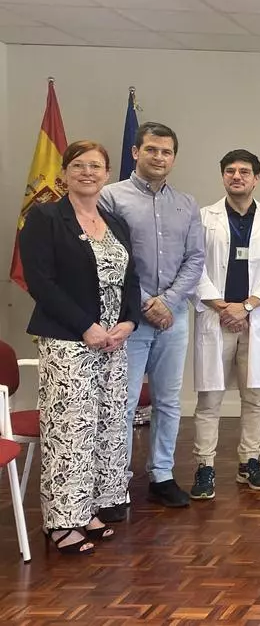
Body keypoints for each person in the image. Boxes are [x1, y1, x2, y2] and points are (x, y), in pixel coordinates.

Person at [21, 140, 140, 554]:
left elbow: (131, 279)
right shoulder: (45, 218)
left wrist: (129, 322)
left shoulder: (115, 223)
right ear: (65, 172)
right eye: (78, 165)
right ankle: (61, 522)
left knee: (106, 428)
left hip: (113, 344)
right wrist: (86, 326)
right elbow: (41, 282)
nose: (87, 172)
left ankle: (88, 509)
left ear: (107, 174)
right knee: (70, 432)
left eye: (95, 166)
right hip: (68, 341)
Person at [99, 121, 203, 516]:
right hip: (128, 319)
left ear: (174, 157)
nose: (159, 157)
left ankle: (162, 475)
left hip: (173, 319)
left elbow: (195, 259)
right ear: (135, 152)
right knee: (123, 403)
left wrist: (168, 302)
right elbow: (110, 259)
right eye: (152, 150)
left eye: (166, 152)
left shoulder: (186, 203)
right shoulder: (111, 198)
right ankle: (115, 482)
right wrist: (146, 304)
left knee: (168, 401)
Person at [190, 149, 260, 498]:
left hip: (255, 320)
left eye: (245, 171)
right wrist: (223, 307)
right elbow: (193, 266)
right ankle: (205, 465)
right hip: (216, 318)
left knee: (255, 397)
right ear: (223, 176)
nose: (237, 176)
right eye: (231, 171)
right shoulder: (203, 218)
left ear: (256, 178)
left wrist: (246, 307)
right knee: (209, 399)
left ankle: (249, 461)